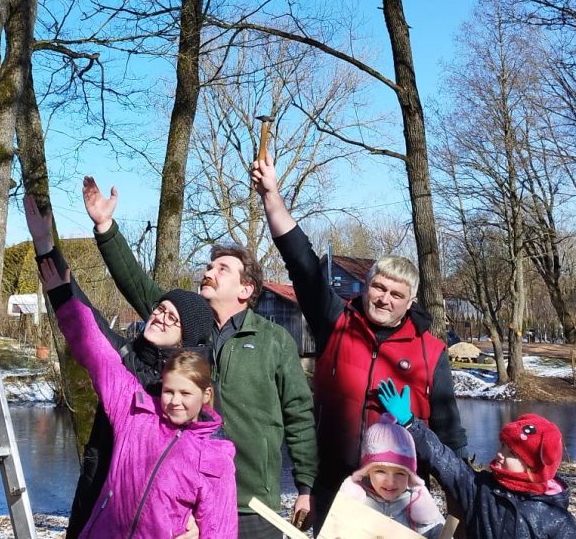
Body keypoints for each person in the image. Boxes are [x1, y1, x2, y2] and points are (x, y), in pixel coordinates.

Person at [83, 176, 318, 539]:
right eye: (209, 267)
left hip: (253, 503)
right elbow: (137, 285)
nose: (209, 272)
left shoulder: (274, 341)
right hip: (186, 499)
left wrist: (306, 486)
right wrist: (106, 228)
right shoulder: (189, 326)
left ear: (246, 289)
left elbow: (299, 415)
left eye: (222, 269)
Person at [250, 153, 466, 524]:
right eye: (379, 287)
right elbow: (303, 264)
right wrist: (271, 196)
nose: (384, 299)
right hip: (334, 487)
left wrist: (460, 505)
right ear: (366, 286)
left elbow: (450, 434)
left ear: (410, 301)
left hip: (399, 498)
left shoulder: (431, 352)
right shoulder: (335, 322)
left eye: (396, 294)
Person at [24, 195, 217, 538]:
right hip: (98, 500)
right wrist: (44, 245)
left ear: (186, 339)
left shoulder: (195, 390)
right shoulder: (125, 356)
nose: (160, 317)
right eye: (160, 309)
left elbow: (211, 463)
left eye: (172, 318)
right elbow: (84, 322)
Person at [379, 380, 576, 539]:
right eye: (502, 446)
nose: (500, 453)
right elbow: (442, 459)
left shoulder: (556, 520)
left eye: (512, 453)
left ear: (534, 467)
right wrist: (410, 423)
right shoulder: (479, 488)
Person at [337, 414, 445, 538]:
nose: (390, 482)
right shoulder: (356, 503)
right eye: (380, 471)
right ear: (367, 471)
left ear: (410, 475)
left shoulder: (421, 509)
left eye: (400, 473)